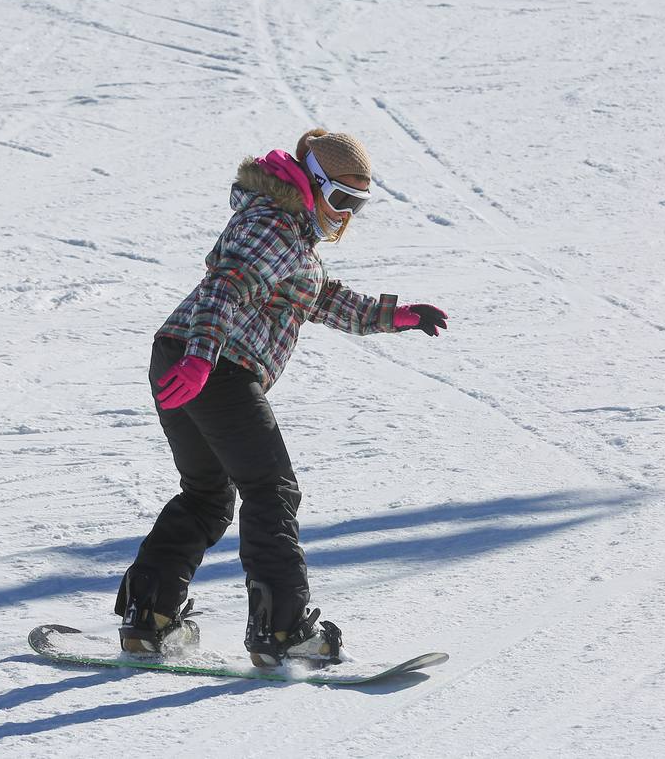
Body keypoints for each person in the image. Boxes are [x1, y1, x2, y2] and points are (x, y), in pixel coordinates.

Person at [114, 128, 449, 667]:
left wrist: (395, 316)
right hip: (213, 366)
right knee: (271, 490)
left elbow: (320, 299)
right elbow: (226, 286)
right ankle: (283, 632)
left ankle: (149, 617)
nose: (345, 217)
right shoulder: (273, 226)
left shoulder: (288, 231)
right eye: (341, 200)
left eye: (358, 206)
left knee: (208, 494)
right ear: (313, 183)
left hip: (181, 357)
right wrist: (203, 357)